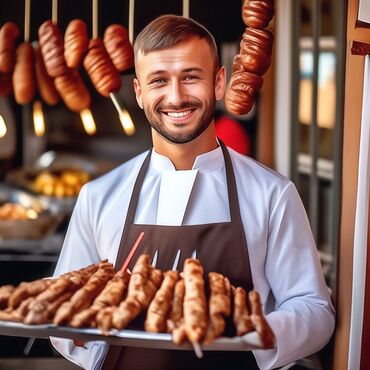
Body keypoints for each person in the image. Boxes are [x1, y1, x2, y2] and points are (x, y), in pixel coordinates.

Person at [51, 14, 335, 370]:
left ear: (219, 82)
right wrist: (86, 340)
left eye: (190, 77)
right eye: (158, 80)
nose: (176, 97)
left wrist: (246, 334)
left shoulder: (271, 194)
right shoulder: (99, 196)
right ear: (139, 93)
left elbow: (315, 311)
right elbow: (61, 305)